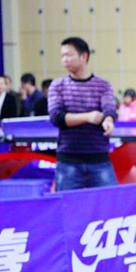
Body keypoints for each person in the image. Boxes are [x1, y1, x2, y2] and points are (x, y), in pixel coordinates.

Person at [48, 37, 118, 191]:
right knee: (68, 205)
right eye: (62, 56)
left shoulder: (103, 85)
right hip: (68, 162)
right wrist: (88, 117)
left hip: (99, 160)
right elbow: (56, 117)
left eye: (69, 55)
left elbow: (109, 109)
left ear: (84, 56)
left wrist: (108, 120)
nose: (64, 59)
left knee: (110, 203)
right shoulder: (57, 85)